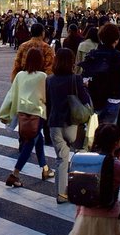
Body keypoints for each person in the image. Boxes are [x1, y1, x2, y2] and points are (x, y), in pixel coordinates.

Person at [68, 123, 120, 235]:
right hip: (109, 218)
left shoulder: (87, 161)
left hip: (85, 217)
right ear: (117, 143)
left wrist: (78, 214)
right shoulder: (118, 166)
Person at [0, 48, 53, 188]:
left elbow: (11, 94)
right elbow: (47, 96)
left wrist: (5, 113)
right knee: (31, 142)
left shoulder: (20, 75)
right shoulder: (42, 76)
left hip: (23, 112)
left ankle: (45, 168)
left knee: (36, 138)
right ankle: (14, 174)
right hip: (38, 113)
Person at [46, 48, 91, 204]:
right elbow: (84, 100)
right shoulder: (76, 79)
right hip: (72, 123)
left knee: (61, 159)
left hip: (54, 123)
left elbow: (49, 103)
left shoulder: (49, 79)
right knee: (81, 153)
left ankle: (61, 194)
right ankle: (82, 189)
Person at [80, 23, 120, 126]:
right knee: (108, 130)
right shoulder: (119, 57)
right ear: (116, 40)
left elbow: (84, 76)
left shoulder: (92, 55)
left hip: (95, 98)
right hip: (114, 98)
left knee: (93, 129)